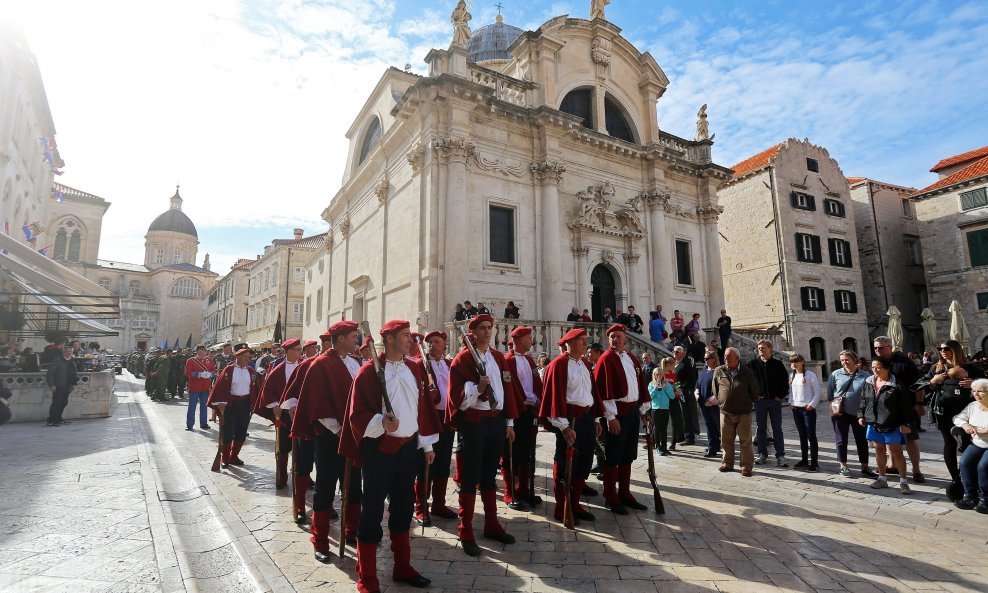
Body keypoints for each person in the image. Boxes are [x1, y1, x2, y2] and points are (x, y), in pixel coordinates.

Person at [338, 319, 440, 592]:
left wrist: (427, 445)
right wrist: (381, 422)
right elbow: (356, 415)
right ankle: (367, 577)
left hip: (408, 449)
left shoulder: (414, 368)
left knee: (404, 506)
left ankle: (402, 566)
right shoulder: (368, 372)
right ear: (390, 338)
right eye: (406, 336)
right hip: (379, 450)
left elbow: (420, 409)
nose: (411, 340)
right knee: (372, 510)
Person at [291, 321, 364, 562]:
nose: (357, 339)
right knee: (325, 487)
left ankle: (352, 531)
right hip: (331, 437)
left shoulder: (355, 363)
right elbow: (317, 406)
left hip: (354, 436)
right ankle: (320, 539)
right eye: (353, 336)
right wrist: (340, 428)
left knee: (353, 486)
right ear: (341, 338)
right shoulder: (320, 364)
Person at [447, 314, 519, 557]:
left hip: (495, 422)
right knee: (469, 477)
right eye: (482, 328)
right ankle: (465, 530)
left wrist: (508, 420)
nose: (488, 331)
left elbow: (506, 389)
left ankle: (491, 525)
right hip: (475, 424)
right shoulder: (463, 359)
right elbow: (458, 398)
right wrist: (476, 389)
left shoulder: (498, 357)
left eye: (490, 327)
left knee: (489, 476)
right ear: (473, 332)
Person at [539, 328, 604, 525]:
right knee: (565, 463)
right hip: (569, 421)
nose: (586, 344)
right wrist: (564, 427)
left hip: (585, 419)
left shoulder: (584, 363)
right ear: (571, 343)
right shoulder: (558, 365)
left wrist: (595, 419)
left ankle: (575, 503)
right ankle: (562, 506)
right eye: (582, 341)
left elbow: (590, 393)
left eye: (586, 341)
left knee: (584, 461)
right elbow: (553, 398)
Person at [594, 325, 651, 515]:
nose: (615, 339)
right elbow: (602, 391)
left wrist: (644, 411)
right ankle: (610, 496)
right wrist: (610, 417)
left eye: (618, 336)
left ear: (625, 339)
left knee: (628, 454)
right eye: (611, 336)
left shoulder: (631, 358)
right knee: (613, 455)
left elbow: (640, 384)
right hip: (616, 414)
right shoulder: (605, 359)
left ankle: (625, 493)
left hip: (633, 412)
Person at [280, 329, 335, 524]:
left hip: (332, 429)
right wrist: (294, 407)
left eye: (332, 343)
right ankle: (300, 505)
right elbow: (289, 394)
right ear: (323, 346)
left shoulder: (346, 366)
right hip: (308, 426)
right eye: (327, 343)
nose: (330, 347)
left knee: (326, 469)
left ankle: (326, 505)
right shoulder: (306, 366)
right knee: (303, 466)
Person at [925, 339, 983, 499]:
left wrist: (974, 383)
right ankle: (955, 478)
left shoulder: (970, 368)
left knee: (968, 445)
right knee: (949, 444)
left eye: (946, 348)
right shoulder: (936, 368)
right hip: (944, 412)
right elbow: (921, 386)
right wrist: (933, 381)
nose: (942, 351)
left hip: (968, 413)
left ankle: (968, 477)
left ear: (955, 350)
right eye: (940, 348)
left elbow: (985, 385)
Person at [415, 330, 458, 525]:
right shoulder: (420, 365)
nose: (432, 345)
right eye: (429, 342)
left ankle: (439, 504)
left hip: (446, 418)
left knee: (443, 463)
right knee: (425, 463)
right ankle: (421, 506)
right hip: (428, 418)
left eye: (436, 341)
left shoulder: (449, 365)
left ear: (444, 345)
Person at [251, 339, 301, 491]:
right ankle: (282, 476)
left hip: (301, 414)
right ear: (289, 352)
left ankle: (302, 476)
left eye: (300, 349)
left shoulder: (304, 367)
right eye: (298, 349)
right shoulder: (278, 370)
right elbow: (268, 391)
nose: (300, 352)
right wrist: (274, 406)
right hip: (284, 415)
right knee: (283, 446)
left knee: (302, 448)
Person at [860, 356, 915, 494]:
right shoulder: (868, 382)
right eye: (872, 367)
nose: (875, 370)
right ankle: (882, 478)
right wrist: (861, 415)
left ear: (887, 368)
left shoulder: (897, 385)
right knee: (879, 450)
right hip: (873, 422)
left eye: (878, 367)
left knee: (896, 452)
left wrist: (905, 423)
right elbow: (863, 400)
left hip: (892, 423)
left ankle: (903, 482)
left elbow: (906, 406)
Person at [873, 336, 924, 483]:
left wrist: (919, 403)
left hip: (905, 407)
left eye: (881, 347)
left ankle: (916, 470)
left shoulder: (904, 362)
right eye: (875, 348)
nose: (878, 350)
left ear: (890, 347)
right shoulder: (877, 363)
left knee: (910, 439)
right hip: (886, 409)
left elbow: (918, 384)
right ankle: (893, 465)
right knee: (889, 438)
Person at [503, 326, 543, 509]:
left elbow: (536, 383)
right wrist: (526, 402)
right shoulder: (507, 361)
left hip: (529, 411)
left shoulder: (529, 359)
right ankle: (509, 492)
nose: (531, 341)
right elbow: (510, 388)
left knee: (527, 451)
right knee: (511, 453)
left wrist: (538, 402)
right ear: (518, 340)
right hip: (515, 411)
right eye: (528, 338)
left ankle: (524, 489)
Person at [207, 348, 260, 469]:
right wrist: (221, 402)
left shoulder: (251, 370)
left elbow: (254, 388)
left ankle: (234, 456)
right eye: (246, 357)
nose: (248, 359)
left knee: (241, 432)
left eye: (249, 357)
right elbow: (220, 386)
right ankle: (225, 458)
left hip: (245, 405)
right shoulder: (229, 370)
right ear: (239, 357)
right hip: (230, 405)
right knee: (228, 432)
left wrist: (254, 403)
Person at [828, 350, 877, 478]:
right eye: (842, 360)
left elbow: (869, 395)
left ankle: (865, 466)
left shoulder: (865, 375)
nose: (844, 362)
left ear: (855, 360)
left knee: (861, 440)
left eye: (847, 359)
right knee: (841, 440)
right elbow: (830, 393)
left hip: (859, 414)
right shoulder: (835, 374)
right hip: (840, 413)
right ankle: (843, 466)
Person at [714, 348, 760, 476]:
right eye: (725, 356)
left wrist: (745, 402)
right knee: (726, 440)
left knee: (745, 441)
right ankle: (727, 463)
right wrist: (722, 402)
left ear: (737, 358)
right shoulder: (719, 370)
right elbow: (715, 389)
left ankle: (746, 466)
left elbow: (754, 391)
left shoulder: (748, 372)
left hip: (743, 412)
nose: (726, 359)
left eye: (729, 357)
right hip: (725, 412)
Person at [748, 340, 789, 467]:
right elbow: (747, 381)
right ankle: (762, 454)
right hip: (760, 402)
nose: (761, 349)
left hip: (774, 401)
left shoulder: (777, 364)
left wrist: (780, 396)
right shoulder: (753, 364)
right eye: (759, 348)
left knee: (777, 428)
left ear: (770, 349)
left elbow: (784, 381)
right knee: (760, 428)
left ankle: (780, 455)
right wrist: (754, 395)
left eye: (763, 348)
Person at [953, 378, 988, 512]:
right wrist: (966, 425)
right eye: (974, 391)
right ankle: (970, 496)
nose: (976, 394)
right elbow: (957, 418)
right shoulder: (973, 406)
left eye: (980, 391)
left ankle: (985, 499)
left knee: (983, 466)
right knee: (965, 462)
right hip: (978, 442)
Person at [788, 354, 821, 472]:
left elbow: (817, 392)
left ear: (802, 362)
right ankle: (804, 459)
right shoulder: (791, 375)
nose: (794, 364)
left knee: (811, 435)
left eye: (796, 362)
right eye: (792, 362)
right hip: (796, 409)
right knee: (802, 435)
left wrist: (811, 405)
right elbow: (791, 391)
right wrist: (790, 402)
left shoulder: (810, 375)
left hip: (807, 410)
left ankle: (814, 462)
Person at [695, 351, 721, 458]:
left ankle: (722, 446)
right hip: (703, 403)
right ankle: (712, 448)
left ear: (713, 359)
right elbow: (698, 384)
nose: (705, 360)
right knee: (709, 426)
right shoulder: (704, 371)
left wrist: (712, 400)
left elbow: (721, 389)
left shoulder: (719, 372)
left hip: (714, 405)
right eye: (704, 358)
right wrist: (696, 393)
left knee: (718, 427)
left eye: (707, 358)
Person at [185, 346, 217, 431]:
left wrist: (210, 374)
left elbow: (214, 371)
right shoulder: (191, 360)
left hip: (205, 387)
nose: (205, 352)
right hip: (194, 387)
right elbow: (188, 372)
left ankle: (203, 423)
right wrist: (199, 374)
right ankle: (190, 424)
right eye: (203, 350)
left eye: (205, 350)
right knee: (192, 406)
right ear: (198, 351)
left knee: (204, 406)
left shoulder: (209, 360)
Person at [45, 345, 78, 426]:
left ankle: (58, 418)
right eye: (67, 351)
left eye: (71, 351)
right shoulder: (57, 360)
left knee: (64, 402)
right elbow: (50, 373)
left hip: (68, 385)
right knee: (56, 403)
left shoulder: (72, 361)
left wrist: (73, 384)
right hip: (59, 385)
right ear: (64, 352)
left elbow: (74, 373)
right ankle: (51, 420)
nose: (69, 353)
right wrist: (52, 385)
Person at [649, 360, 676, 455]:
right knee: (657, 428)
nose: (659, 376)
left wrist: (665, 387)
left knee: (664, 428)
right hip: (656, 409)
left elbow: (672, 396)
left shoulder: (667, 384)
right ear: (654, 375)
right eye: (657, 375)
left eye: (660, 374)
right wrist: (655, 389)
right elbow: (649, 397)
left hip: (665, 409)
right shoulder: (651, 385)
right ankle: (657, 446)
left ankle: (664, 446)